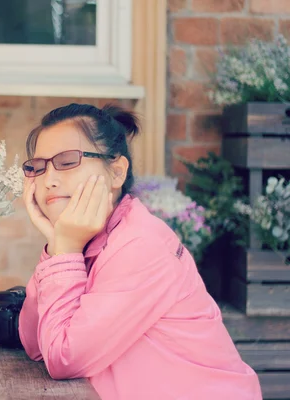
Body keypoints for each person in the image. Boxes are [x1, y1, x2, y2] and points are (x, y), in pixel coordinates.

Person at [18, 103, 262, 400]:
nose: (48, 180)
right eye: (38, 167)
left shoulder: (142, 245)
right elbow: (35, 345)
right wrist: (57, 247)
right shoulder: (83, 240)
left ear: (117, 172)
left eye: (67, 161)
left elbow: (63, 358)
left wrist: (65, 248)